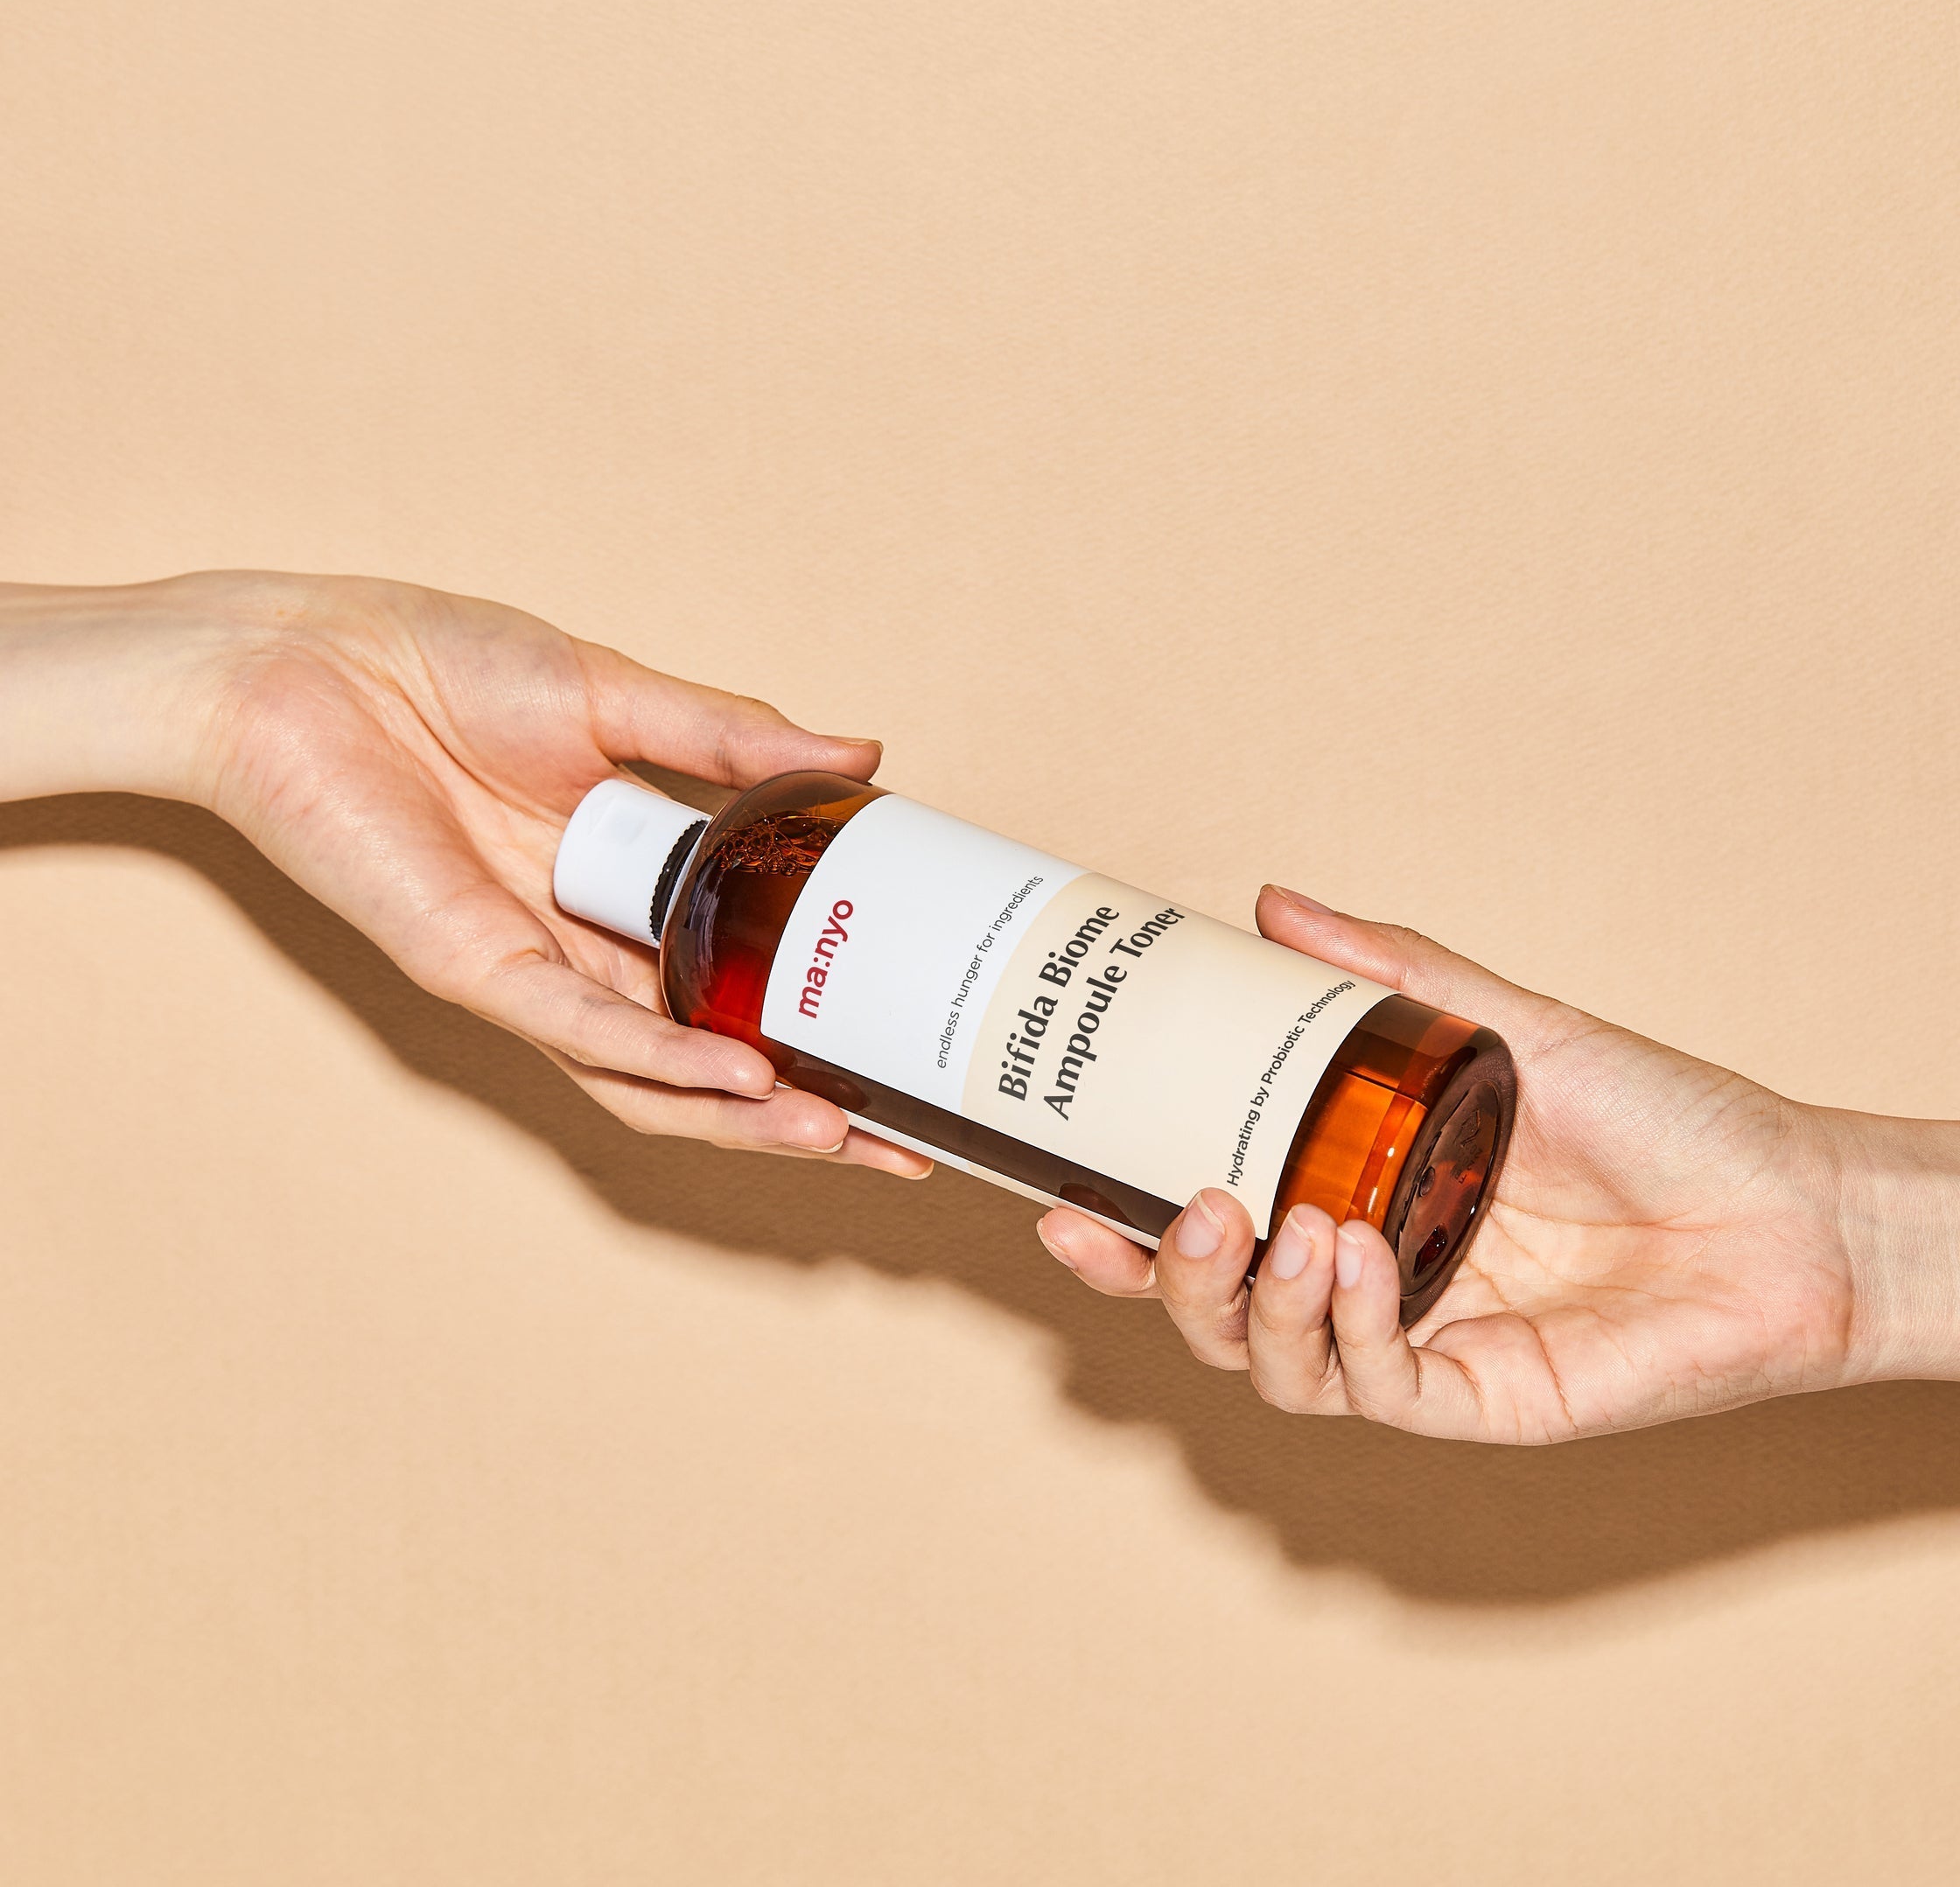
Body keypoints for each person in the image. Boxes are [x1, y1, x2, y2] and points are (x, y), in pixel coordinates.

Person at [4, 570, 1954, 1442]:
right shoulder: (721, 929)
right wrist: (1840, 1248)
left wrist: (1865, 1251)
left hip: (1349, 1092)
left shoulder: (776, 847)